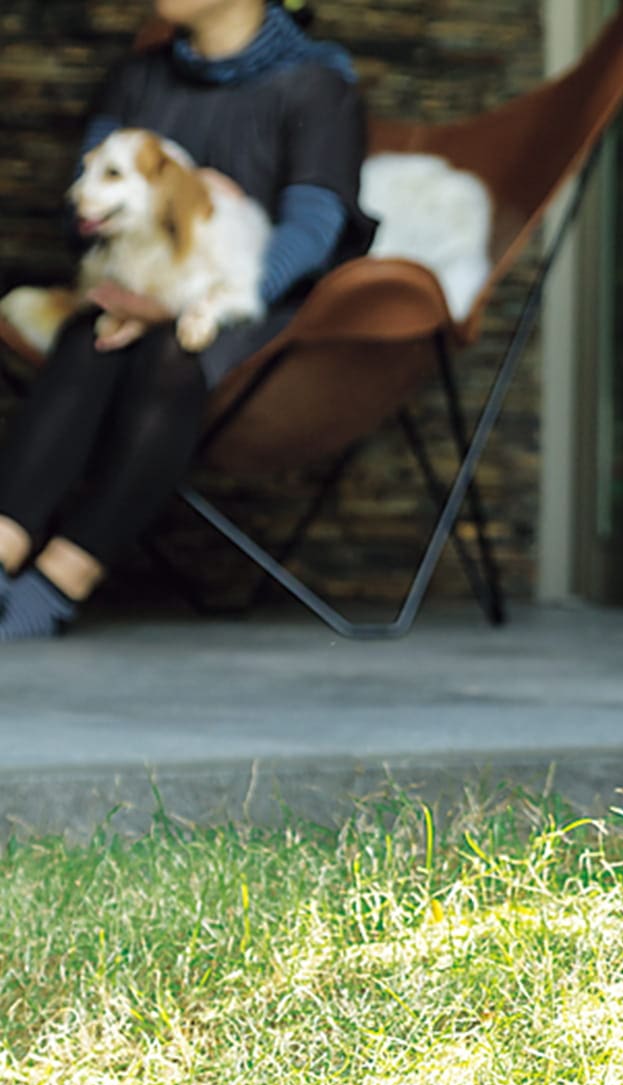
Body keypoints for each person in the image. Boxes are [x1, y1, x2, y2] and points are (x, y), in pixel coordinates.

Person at [0, 0, 374, 639]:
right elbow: (79, 215)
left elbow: (311, 233)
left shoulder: (319, 84)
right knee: (95, 332)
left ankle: (63, 577)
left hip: (256, 306)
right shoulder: (137, 79)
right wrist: (137, 283)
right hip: (136, 284)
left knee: (171, 351)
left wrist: (188, 302)